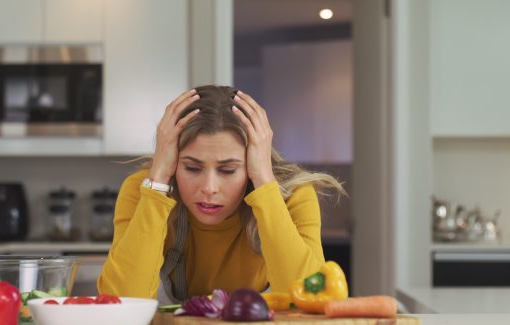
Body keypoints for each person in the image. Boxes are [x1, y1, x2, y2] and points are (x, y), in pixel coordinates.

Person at [97, 85, 346, 304]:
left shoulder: (293, 196)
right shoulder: (145, 190)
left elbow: (309, 298)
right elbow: (121, 301)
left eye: (228, 170)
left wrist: (264, 183)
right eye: (192, 168)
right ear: (172, 161)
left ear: (252, 164)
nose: (209, 187)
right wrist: (159, 179)